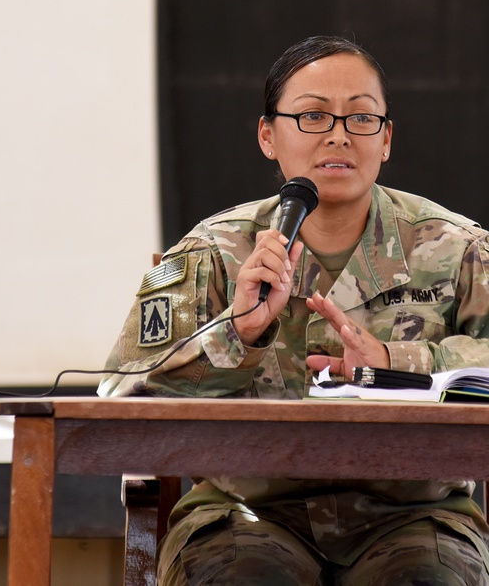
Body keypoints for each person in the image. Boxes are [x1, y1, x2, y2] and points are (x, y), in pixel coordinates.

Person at [100, 36, 489, 585]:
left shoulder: (456, 249)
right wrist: (235, 336)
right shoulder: (215, 252)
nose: (338, 135)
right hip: (247, 515)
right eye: (312, 116)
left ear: (386, 140)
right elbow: (122, 395)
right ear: (267, 136)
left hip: (412, 517)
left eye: (360, 118)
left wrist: (395, 359)